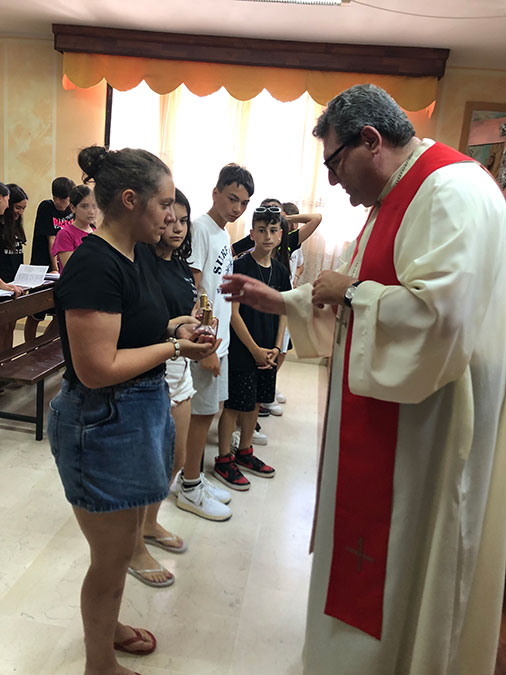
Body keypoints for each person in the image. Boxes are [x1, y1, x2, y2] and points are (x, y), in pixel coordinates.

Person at [221, 83, 506, 675]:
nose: (332, 183)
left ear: (370, 142)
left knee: (408, 561)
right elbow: (351, 287)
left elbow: (439, 318)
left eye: (334, 163)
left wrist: (349, 293)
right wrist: (284, 301)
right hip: (391, 419)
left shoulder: (451, 189)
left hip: (428, 426)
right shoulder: (400, 194)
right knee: (367, 556)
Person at [47, 145, 219, 675]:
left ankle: (110, 625)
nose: (173, 216)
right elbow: (97, 367)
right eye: (165, 203)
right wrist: (174, 349)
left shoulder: (134, 255)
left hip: (132, 412)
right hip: (99, 422)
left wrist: (176, 329)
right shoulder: (94, 264)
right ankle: (99, 662)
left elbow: (135, 329)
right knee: (111, 556)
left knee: (119, 551)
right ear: (130, 200)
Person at [181, 163, 253, 521]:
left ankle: (192, 478)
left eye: (243, 202)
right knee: (200, 413)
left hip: (220, 340)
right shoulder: (199, 229)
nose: (237, 207)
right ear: (215, 192)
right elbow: (195, 291)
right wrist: (206, 343)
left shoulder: (224, 235)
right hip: (205, 340)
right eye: (231, 198)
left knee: (209, 411)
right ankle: (189, 485)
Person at [216, 207, 290, 490]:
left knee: (256, 402)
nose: (267, 236)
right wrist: (255, 349)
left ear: (281, 235)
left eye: (273, 231)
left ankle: (245, 451)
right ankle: (224, 459)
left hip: (268, 350)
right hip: (243, 348)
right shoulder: (241, 266)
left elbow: (284, 310)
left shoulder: (281, 271)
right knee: (235, 405)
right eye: (261, 230)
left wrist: (274, 347)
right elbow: (233, 314)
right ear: (252, 233)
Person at [25, 176, 75, 340]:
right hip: (42, 267)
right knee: (35, 314)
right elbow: (52, 239)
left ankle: (43, 346)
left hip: (62, 269)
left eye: (64, 200)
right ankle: (30, 349)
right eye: (56, 198)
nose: (60, 203)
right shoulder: (46, 207)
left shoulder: (71, 211)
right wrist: (55, 267)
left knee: (58, 314)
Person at [0, 184, 28, 352]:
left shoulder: (16, 225)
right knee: (3, 327)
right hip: (3, 283)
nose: (20, 212)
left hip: (15, 282)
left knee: (10, 326)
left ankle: (7, 363)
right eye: (17, 207)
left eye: (23, 208)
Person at [51, 184, 97, 270]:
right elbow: (71, 269)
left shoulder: (97, 232)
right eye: (84, 206)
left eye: (94, 206)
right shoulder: (65, 234)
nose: (91, 211)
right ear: (73, 208)